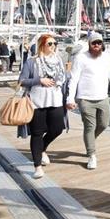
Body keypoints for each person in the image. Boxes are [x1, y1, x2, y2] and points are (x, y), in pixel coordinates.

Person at [66, 32, 110, 170]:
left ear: (102, 44)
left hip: (103, 97)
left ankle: (89, 140)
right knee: (90, 127)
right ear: (89, 44)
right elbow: (74, 79)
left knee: (103, 124)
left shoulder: (107, 58)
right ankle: (92, 155)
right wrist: (70, 98)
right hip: (85, 99)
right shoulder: (80, 58)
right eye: (94, 43)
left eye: (99, 43)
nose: (97, 45)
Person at [18, 34, 69, 179]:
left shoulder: (59, 60)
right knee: (37, 133)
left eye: (55, 44)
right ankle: (37, 166)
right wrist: (40, 80)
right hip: (37, 102)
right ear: (42, 45)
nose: (53, 47)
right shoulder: (32, 62)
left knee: (57, 128)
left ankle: (43, 149)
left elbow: (64, 78)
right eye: (50, 44)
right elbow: (22, 81)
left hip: (56, 100)